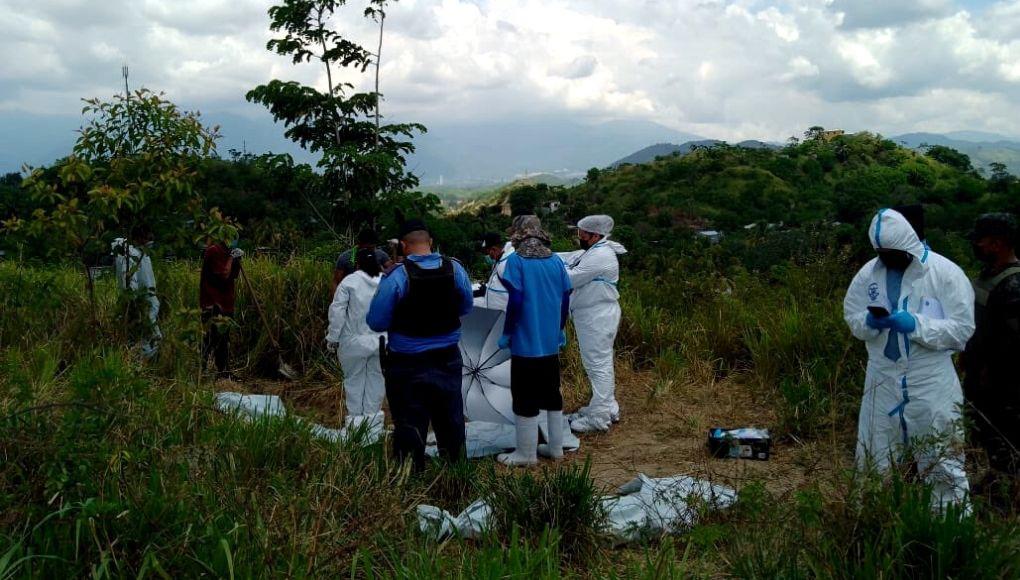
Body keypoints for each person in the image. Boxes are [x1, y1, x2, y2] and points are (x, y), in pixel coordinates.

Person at [843, 208, 975, 509]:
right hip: (882, 377)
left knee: (942, 459)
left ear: (909, 246)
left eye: (893, 253)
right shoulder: (869, 273)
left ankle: (949, 529)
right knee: (875, 455)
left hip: (929, 380)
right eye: (882, 253)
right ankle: (874, 522)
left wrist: (917, 325)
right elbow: (852, 316)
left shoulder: (944, 273)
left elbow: (962, 330)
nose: (887, 259)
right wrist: (869, 322)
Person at [367, 219, 474, 470]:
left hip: (407, 363)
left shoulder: (397, 277)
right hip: (448, 358)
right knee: (451, 422)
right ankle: (456, 476)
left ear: (404, 246)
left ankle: (411, 478)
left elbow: (376, 321)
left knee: (409, 424)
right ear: (431, 243)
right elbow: (466, 306)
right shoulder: (455, 269)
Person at [494, 217, 572, 466]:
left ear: (518, 235)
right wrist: (560, 328)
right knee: (551, 393)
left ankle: (526, 454)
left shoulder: (516, 262)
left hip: (526, 342)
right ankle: (556, 448)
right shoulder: (555, 260)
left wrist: (508, 332)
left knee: (524, 395)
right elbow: (566, 297)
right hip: (550, 342)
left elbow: (515, 300)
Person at [963, 213, 1020, 490]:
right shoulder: (988, 276)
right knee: (985, 434)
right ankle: (996, 480)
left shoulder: (1013, 285)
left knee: (1004, 439)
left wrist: (990, 373)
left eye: (981, 242)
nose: (977, 247)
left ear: (997, 244)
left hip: (1001, 385)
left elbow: (1012, 346)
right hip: (980, 376)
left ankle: (1006, 496)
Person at [558, 214, 628, 433]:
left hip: (597, 316)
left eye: (582, 233)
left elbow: (569, 278)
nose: (579, 237)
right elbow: (570, 257)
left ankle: (599, 418)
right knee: (598, 363)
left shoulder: (601, 256)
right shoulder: (594, 251)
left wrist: (546, 268)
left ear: (595, 235)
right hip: (592, 315)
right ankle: (605, 406)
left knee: (598, 365)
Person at [327, 248, 387, 428]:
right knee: (376, 382)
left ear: (357, 264)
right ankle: (373, 428)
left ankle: (355, 427)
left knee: (354, 382)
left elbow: (337, 312)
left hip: (353, 342)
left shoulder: (349, 282)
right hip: (381, 342)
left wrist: (333, 338)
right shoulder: (386, 281)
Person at [112, 226, 161, 358]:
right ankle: (136, 365)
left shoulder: (143, 255)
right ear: (138, 239)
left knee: (150, 340)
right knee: (147, 340)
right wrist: (135, 302)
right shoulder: (130, 256)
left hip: (148, 305)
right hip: (141, 306)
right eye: (146, 238)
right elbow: (129, 282)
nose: (149, 240)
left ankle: (140, 365)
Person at [200, 237, 243, 376]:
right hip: (212, 302)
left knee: (224, 338)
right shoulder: (214, 251)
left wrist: (237, 260)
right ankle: (202, 370)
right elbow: (224, 274)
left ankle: (223, 371)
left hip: (226, 303)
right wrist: (231, 258)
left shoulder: (229, 252)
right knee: (210, 337)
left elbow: (233, 275)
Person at [333, 228, 392, 295]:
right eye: (368, 248)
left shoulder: (381, 255)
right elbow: (336, 282)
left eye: (373, 247)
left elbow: (391, 272)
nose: (370, 250)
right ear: (359, 244)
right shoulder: (345, 258)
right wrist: (335, 301)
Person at [473, 232, 514, 310]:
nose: (488, 256)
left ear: (494, 249)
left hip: (502, 312)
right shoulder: (499, 259)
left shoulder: (507, 263)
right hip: (495, 310)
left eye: (487, 253)